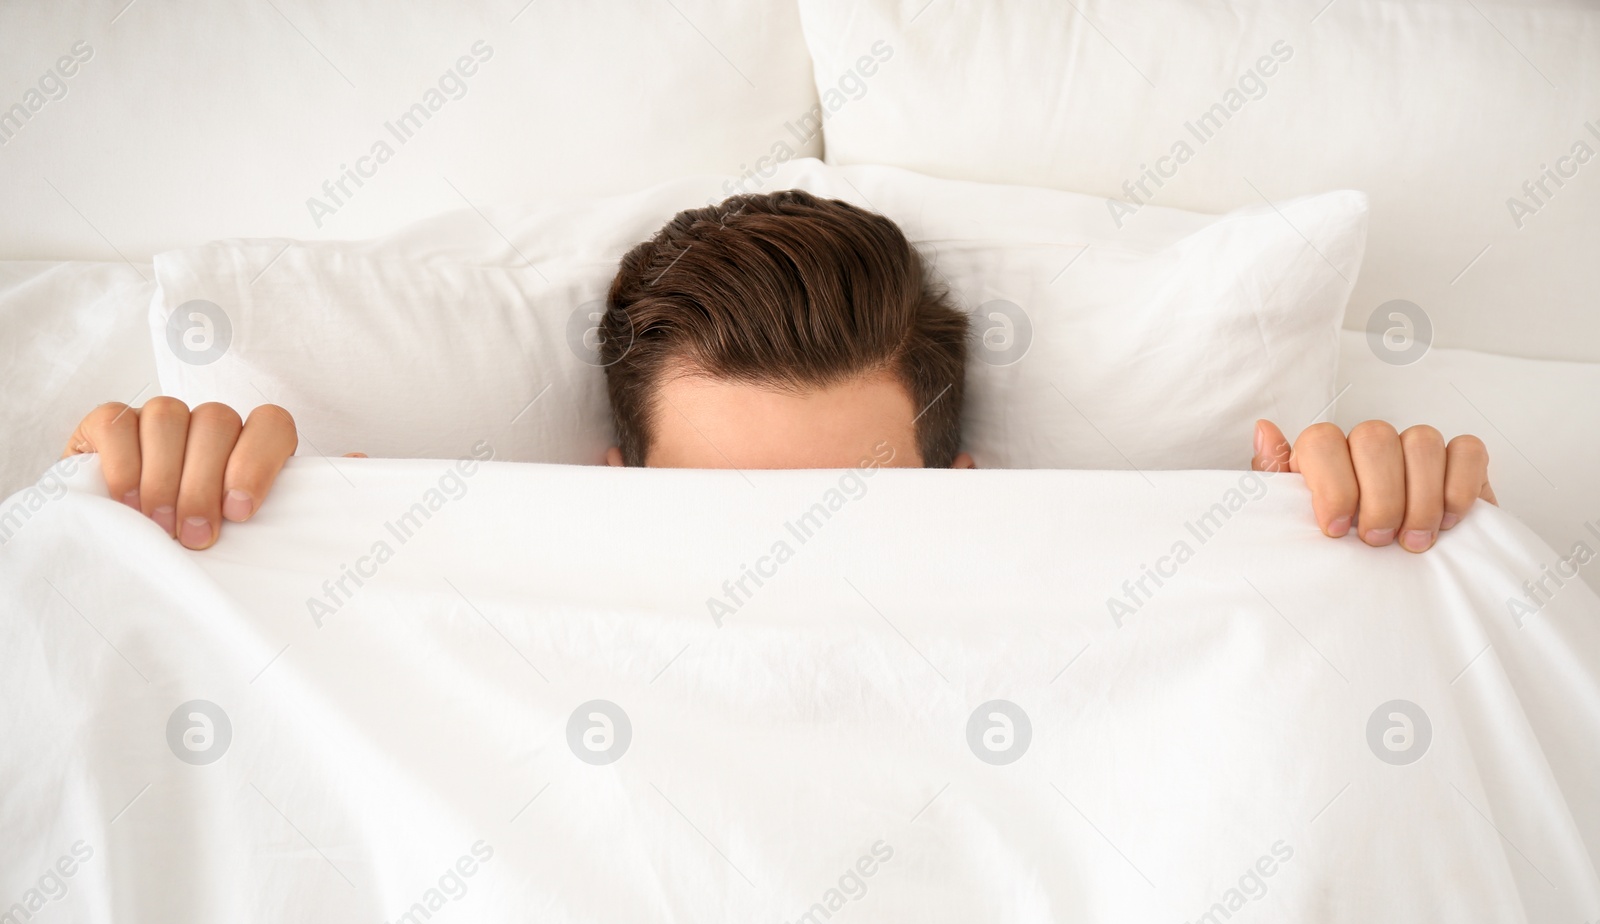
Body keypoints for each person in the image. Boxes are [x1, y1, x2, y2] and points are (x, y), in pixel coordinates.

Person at [61, 190, 1494, 552]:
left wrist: (1362, 546)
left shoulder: (1091, 595)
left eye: (854, 510)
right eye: (716, 516)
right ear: (613, 490)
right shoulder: (464, 580)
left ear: (967, 490)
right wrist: (214, 534)